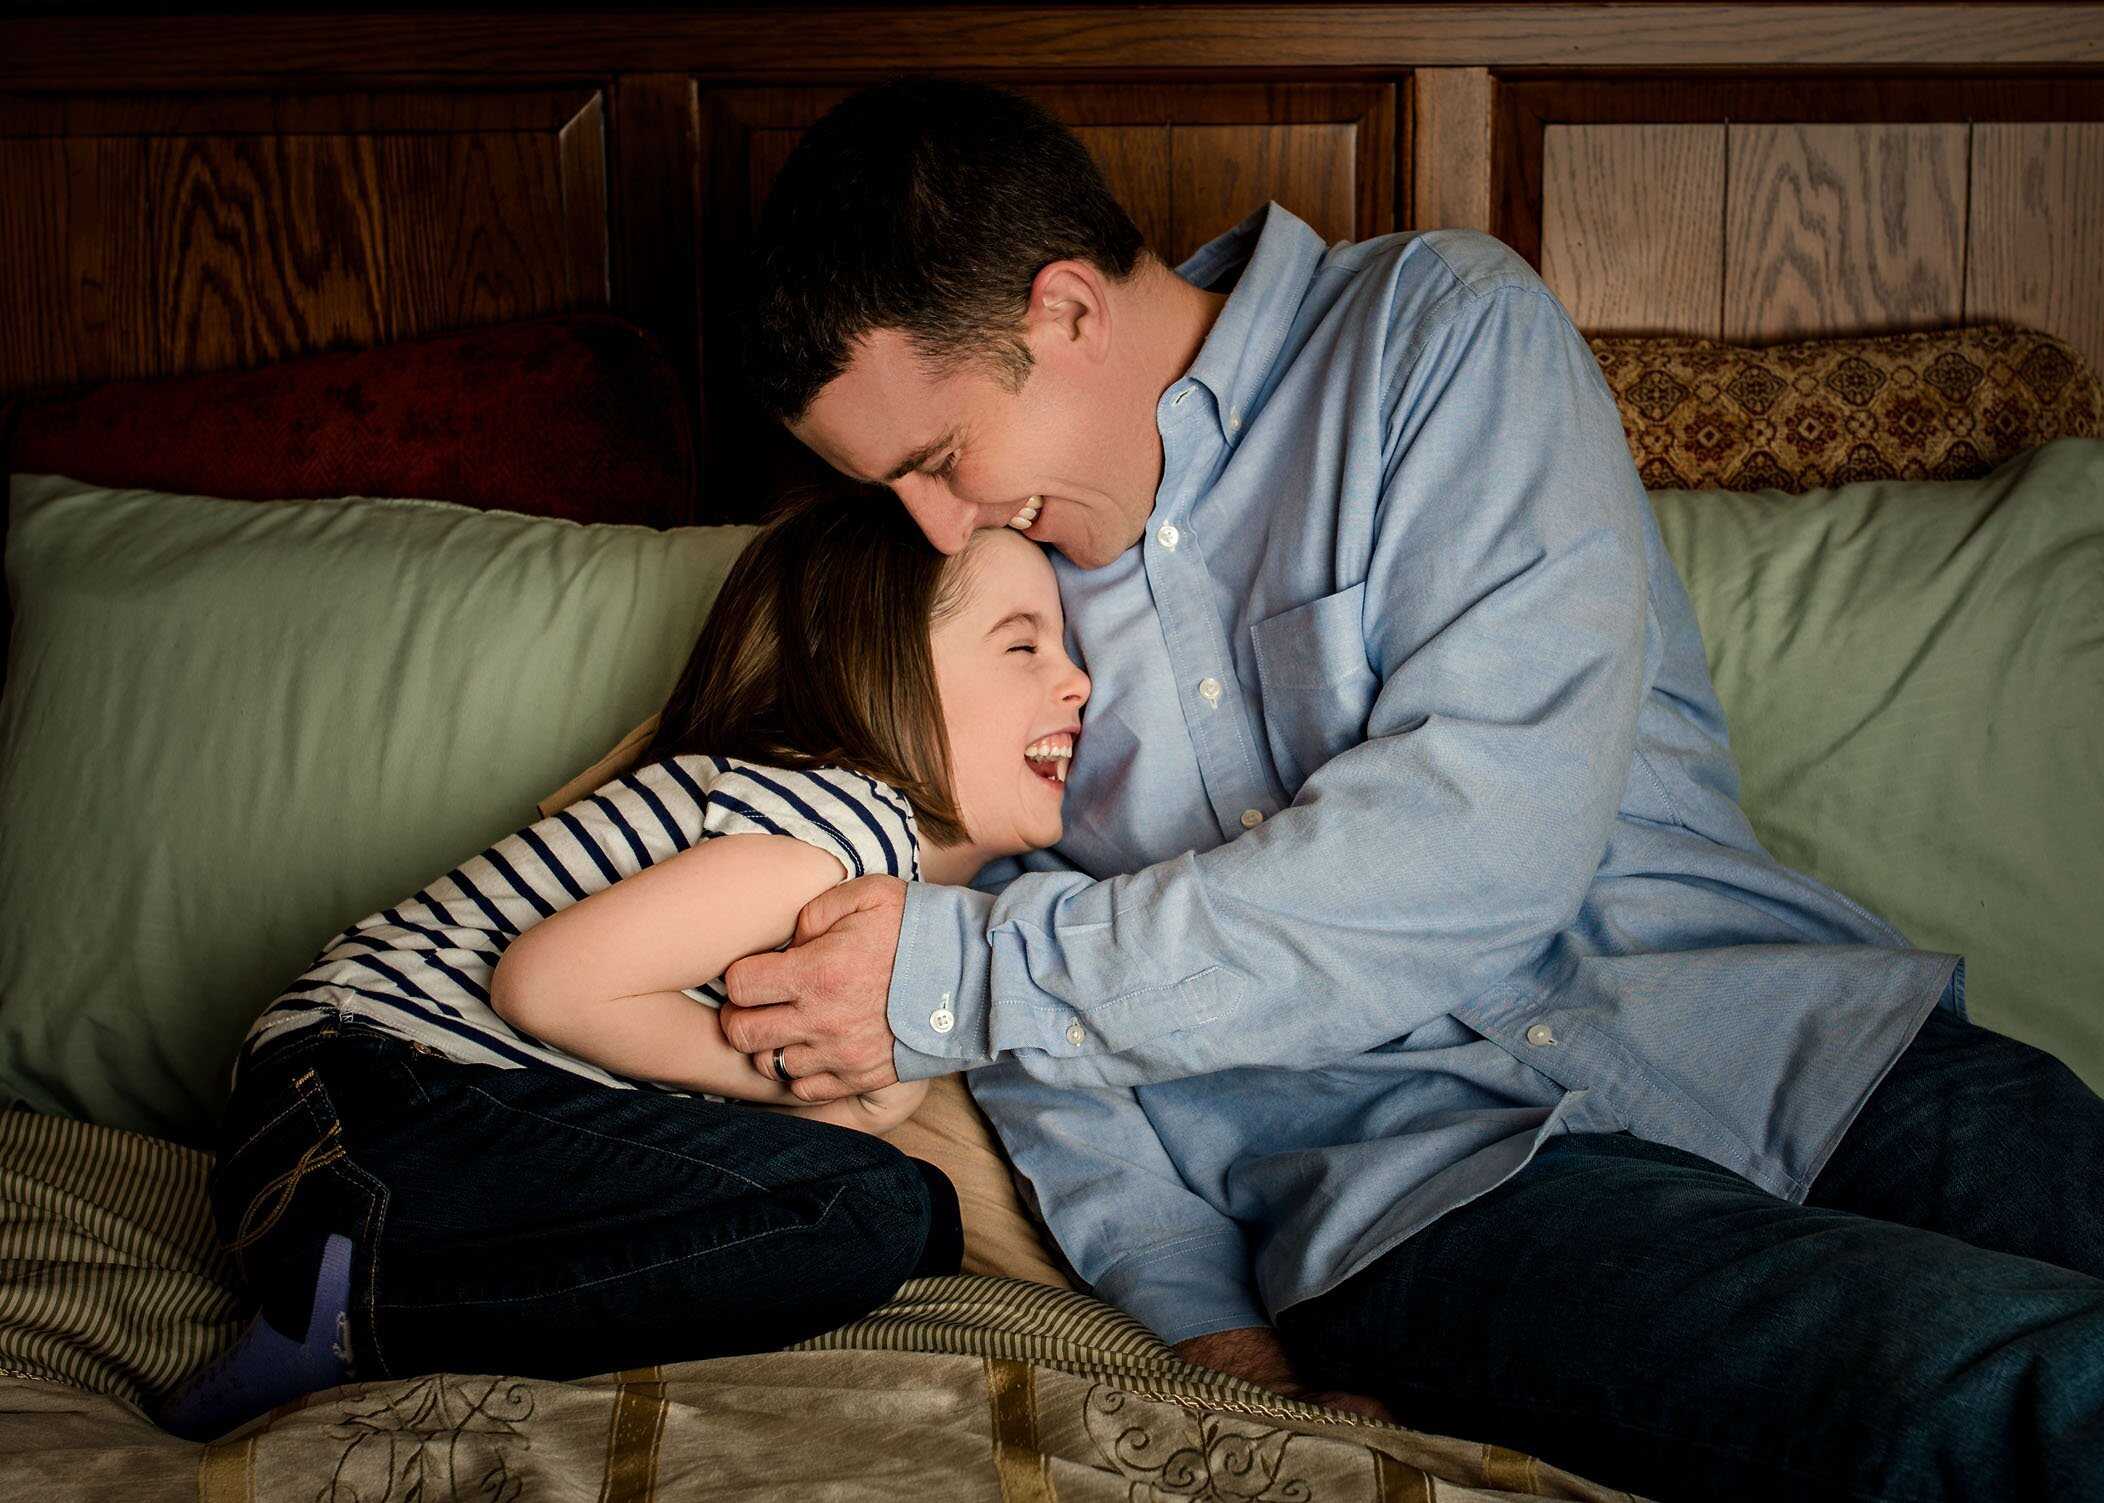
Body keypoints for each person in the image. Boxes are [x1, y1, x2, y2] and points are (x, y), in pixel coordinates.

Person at [716, 78, 2104, 1500]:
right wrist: (1201, 1311)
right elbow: (1021, 999)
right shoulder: (982, 607)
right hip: (1432, 1201)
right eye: (898, 487)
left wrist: (967, 973)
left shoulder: (1433, 333)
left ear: (1066, 310)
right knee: (2020, 1387)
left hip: (1797, 1031)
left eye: (943, 459)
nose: (940, 521)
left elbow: (1483, 838)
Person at [156, 490, 1091, 1441]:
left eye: (1067, 644)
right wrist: (803, 1084)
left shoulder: (886, 866)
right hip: (365, 1098)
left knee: (886, 1207)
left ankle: (357, 1308)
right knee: (879, 1205)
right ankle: (369, 1324)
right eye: (1024, 646)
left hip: (342, 1174)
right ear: (869, 668)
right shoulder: (840, 825)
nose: (1079, 681)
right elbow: (545, 984)